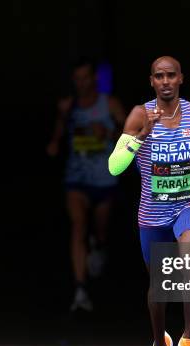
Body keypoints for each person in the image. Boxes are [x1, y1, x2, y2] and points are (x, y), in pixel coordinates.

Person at [108, 56, 190, 346]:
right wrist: (142, 135)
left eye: (171, 75)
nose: (166, 81)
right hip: (152, 214)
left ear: (181, 78)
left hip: (188, 205)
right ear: (152, 81)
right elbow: (114, 167)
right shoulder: (139, 116)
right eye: (159, 76)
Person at [47, 58, 126, 312]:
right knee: (78, 225)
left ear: (94, 79)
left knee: (101, 230)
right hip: (77, 179)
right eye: (77, 79)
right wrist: (55, 140)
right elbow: (57, 139)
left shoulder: (109, 104)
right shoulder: (69, 106)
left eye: (85, 78)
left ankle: (99, 246)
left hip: (104, 179)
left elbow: (134, 136)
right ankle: (80, 289)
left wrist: (109, 134)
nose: (82, 83)